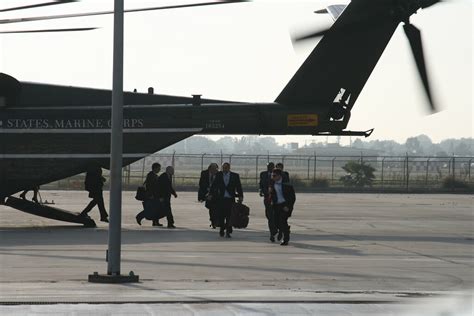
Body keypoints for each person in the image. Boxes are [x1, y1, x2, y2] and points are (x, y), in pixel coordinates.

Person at [210, 162, 243, 238]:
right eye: (223, 167)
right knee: (221, 215)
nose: (224, 169)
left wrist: (240, 196)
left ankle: (228, 230)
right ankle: (222, 228)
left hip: (230, 199)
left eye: (226, 167)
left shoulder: (235, 176)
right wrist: (210, 194)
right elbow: (214, 185)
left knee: (229, 216)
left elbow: (239, 187)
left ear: (229, 168)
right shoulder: (219, 175)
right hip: (221, 199)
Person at [269, 168, 296, 246]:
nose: (273, 177)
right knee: (276, 222)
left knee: (283, 221)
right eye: (272, 176)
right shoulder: (272, 184)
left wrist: (288, 206)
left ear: (279, 176)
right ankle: (285, 230)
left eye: (274, 176)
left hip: (285, 205)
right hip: (276, 205)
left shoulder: (287, 185)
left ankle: (286, 239)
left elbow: (292, 198)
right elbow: (271, 196)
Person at [259, 162, 277, 241]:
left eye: (271, 166)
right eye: (268, 166)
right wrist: (260, 190)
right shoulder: (263, 174)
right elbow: (261, 184)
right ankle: (273, 231)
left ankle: (273, 232)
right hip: (267, 197)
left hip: (276, 198)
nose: (269, 168)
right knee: (269, 215)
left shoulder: (277, 174)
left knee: (275, 215)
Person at [198, 163, 219, 228]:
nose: (214, 170)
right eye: (213, 169)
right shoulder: (204, 173)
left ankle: (214, 221)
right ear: (209, 168)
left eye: (216, 169)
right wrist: (205, 193)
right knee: (211, 207)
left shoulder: (218, 174)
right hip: (207, 193)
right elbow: (201, 184)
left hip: (216, 194)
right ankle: (213, 220)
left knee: (215, 208)